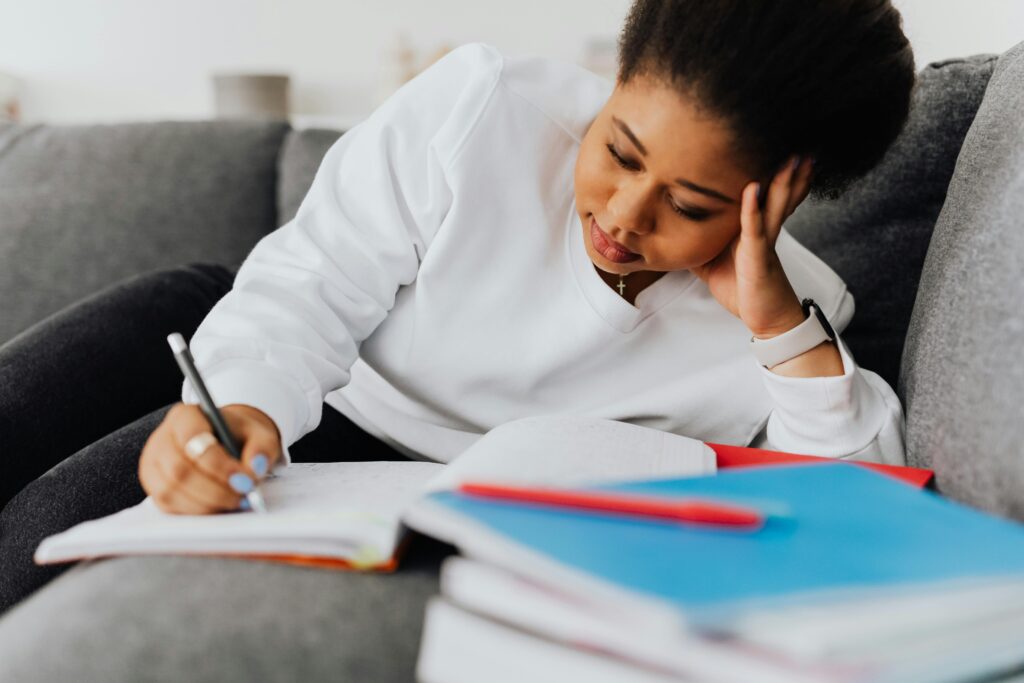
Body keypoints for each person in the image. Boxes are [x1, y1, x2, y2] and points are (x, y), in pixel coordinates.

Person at [0, 0, 915, 676]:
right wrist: (238, 404)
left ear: (781, 197)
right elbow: (310, 288)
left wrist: (774, 324)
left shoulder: (787, 323)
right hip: (295, 360)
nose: (624, 215)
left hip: (380, 466)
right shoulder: (485, 106)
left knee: (42, 537)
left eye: (691, 204)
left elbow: (862, 510)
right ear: (613, 87)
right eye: (620, 150)